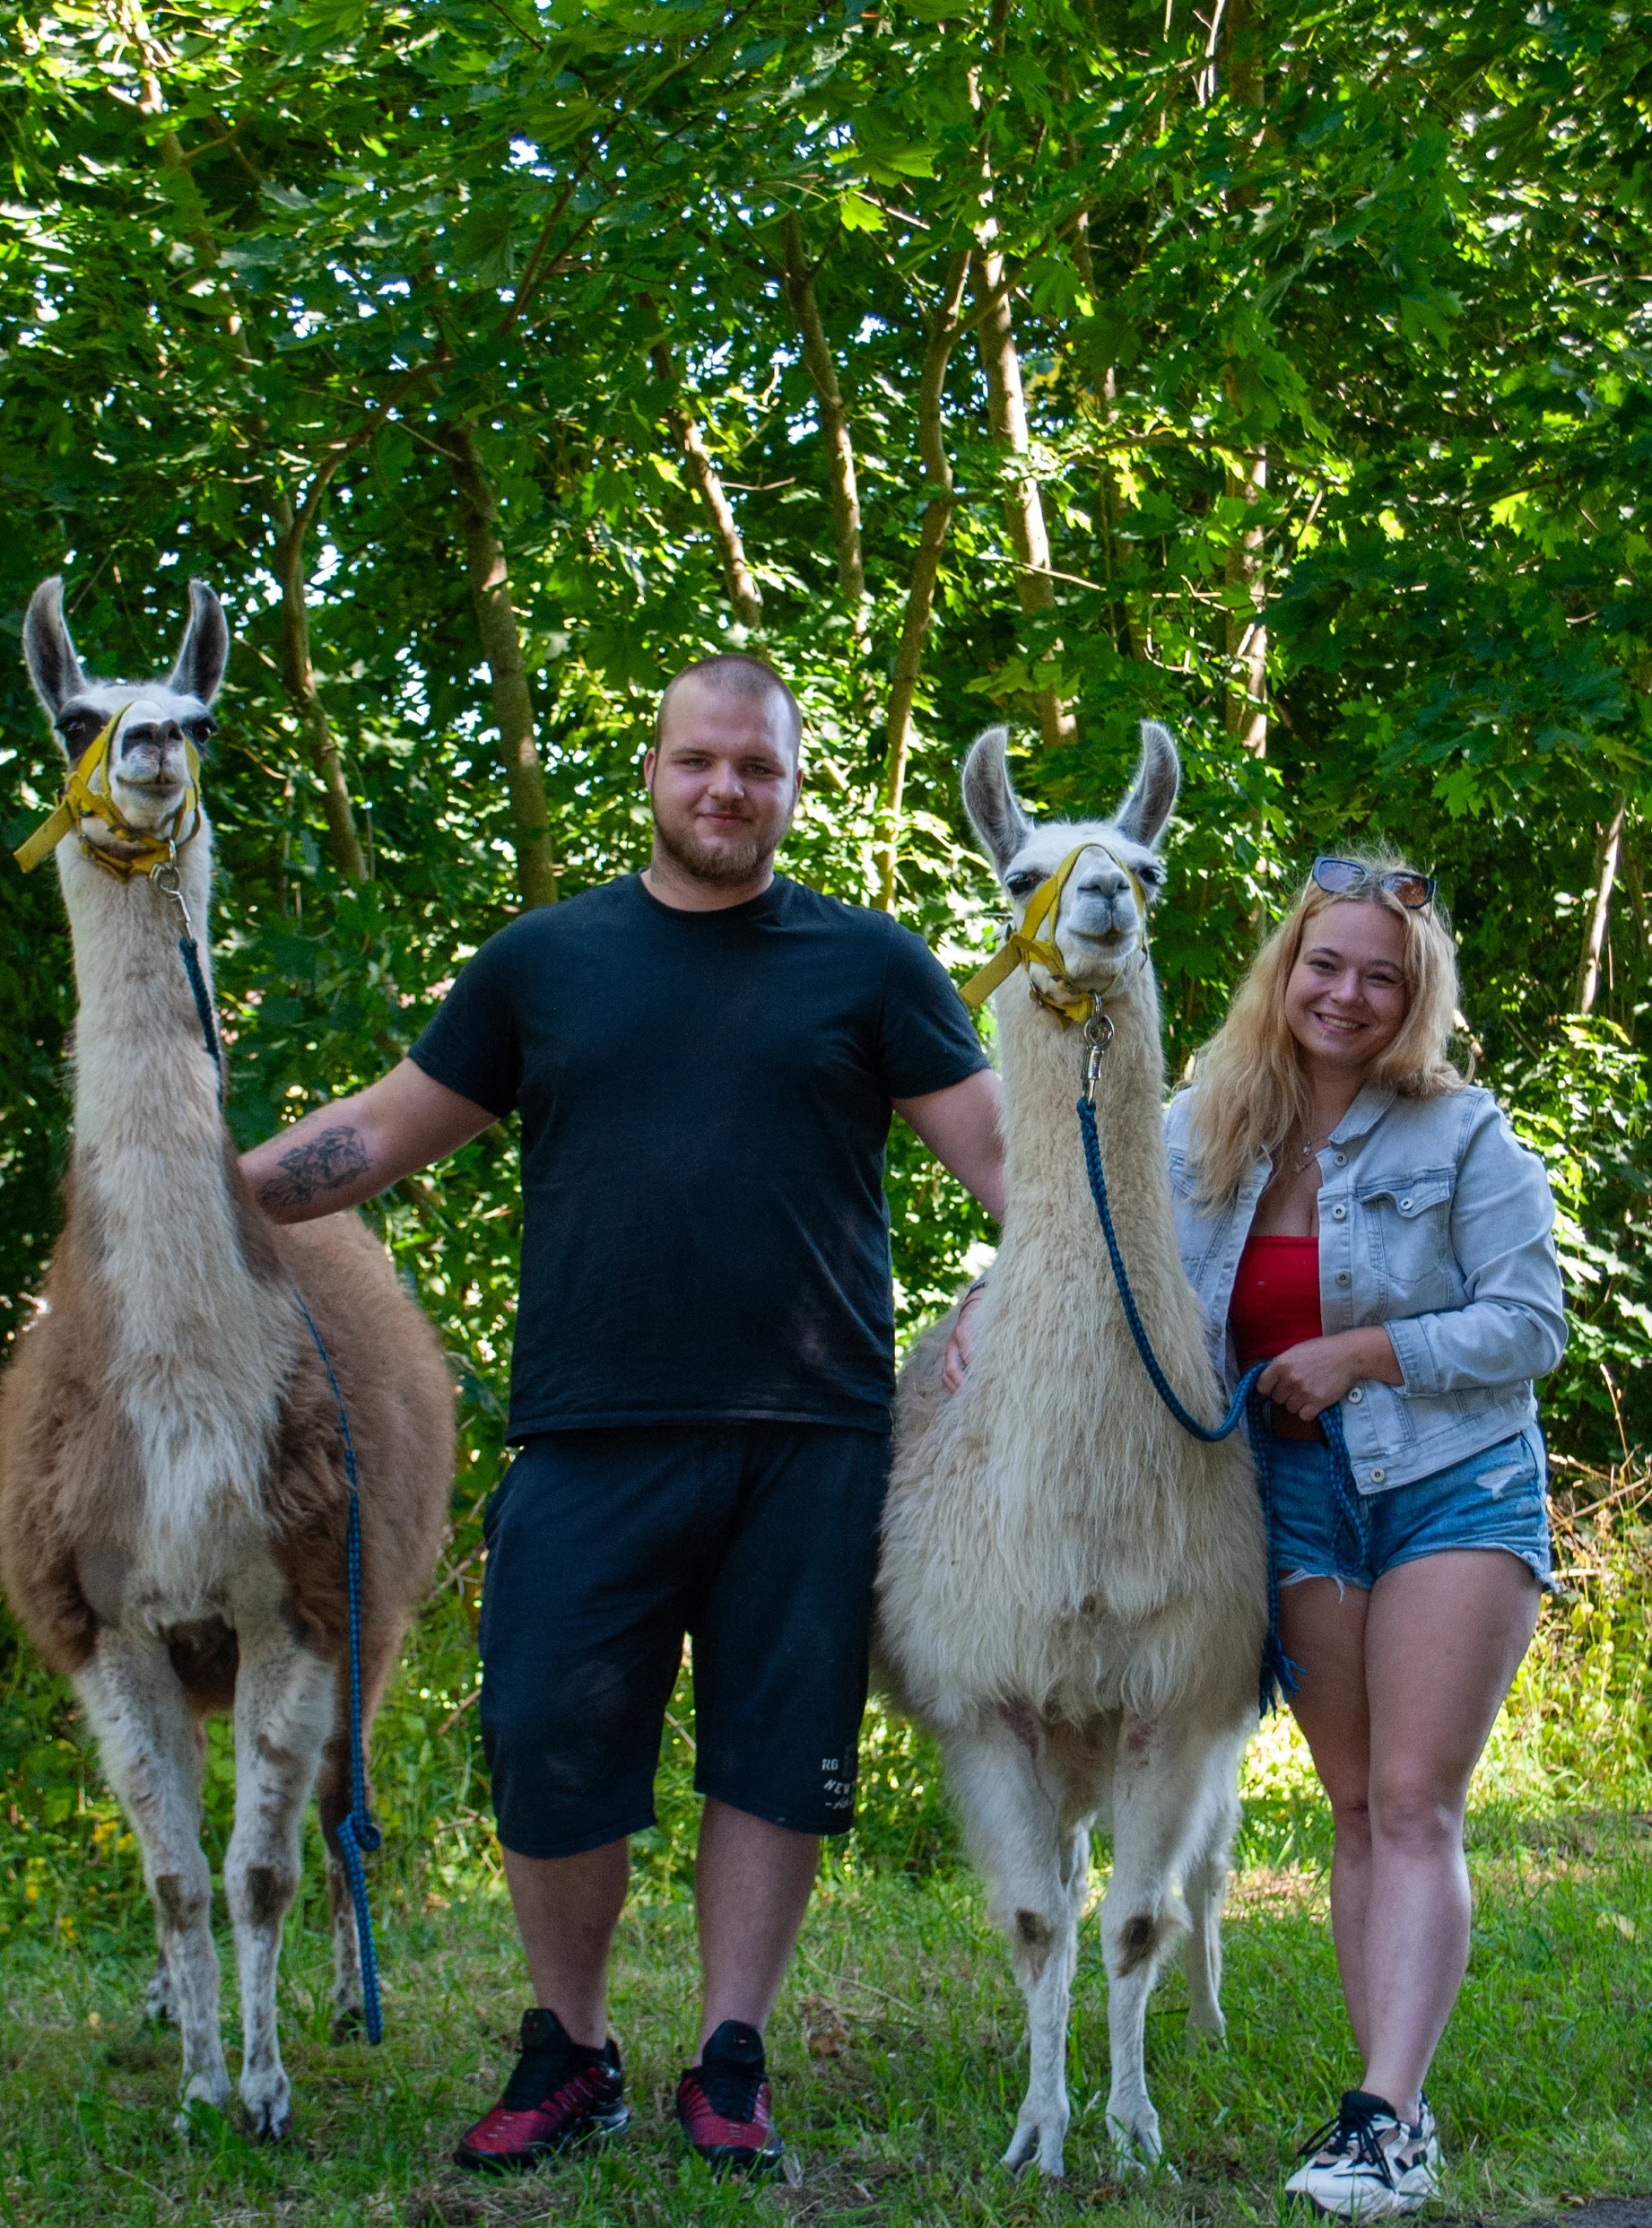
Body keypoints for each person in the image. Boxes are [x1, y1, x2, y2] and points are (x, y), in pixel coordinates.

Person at [240, 654, 1004, 2176]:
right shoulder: (543, 964)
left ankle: (730, 2057)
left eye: (759, 769)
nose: (727, 788)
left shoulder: (872, 966)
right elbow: (384, 1131)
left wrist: (980, 1306)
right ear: (653, 771)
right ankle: (572, 2052)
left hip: (813, 1436)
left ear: (794, 788)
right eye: (699, 760)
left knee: (774, 1754)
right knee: (544, 1739)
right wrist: (193, 1205)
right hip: (587, 1434)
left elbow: (1020, 1177)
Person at [945, 852, 1563, 2218]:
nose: (1346, 995)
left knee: (1413, 1802)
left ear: (1415, 1001)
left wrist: (1363, 1354)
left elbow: (1534, 1322)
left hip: (1447, 1483)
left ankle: (1389, 2116)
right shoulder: (1195, 1131)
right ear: (1285, 972)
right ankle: (1385, 2101)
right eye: (1324, 965)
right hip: (1282, 1493)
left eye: (1381, 978)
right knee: (1352, 1809)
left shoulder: (1465, 1138)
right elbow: (1086, 1233)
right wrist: (994, 1305)